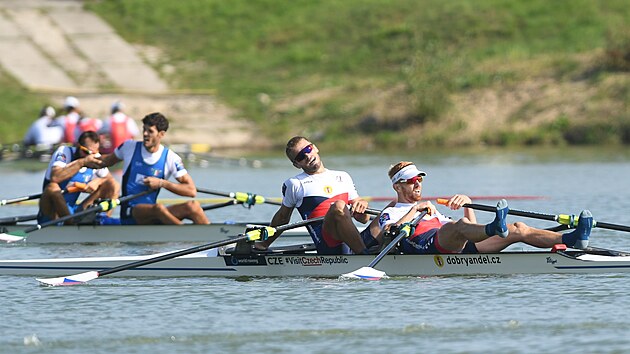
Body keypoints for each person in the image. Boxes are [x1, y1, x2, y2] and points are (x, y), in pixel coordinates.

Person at [376, 161, 593, 255]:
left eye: (419, 179)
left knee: (518, 227)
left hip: (460, 244)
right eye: (411, 179)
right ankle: (495, 228)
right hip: (426, 245)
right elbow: (389, 233)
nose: (417, 183)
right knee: (456, 226)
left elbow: (470, 227)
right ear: (397, 186)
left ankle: (572, 240)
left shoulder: (433, 208)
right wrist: (416, 210)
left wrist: (467, 204)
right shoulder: (391, 211)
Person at [255, 136, 377, 255]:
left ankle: (387, 248)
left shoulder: (343, 176)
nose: (307, 156)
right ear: (297, 164)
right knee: (338, 206)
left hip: (351, 241)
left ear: (315, 148)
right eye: (301, 156)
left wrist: (362, 204)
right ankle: (363, 256)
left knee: (393, 208)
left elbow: (364, 219)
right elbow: (283, 218)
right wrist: (264, 244)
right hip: (328, 245)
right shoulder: (295, 184)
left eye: (307, 149)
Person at [96, 112, 209, 225]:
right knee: (158, 208)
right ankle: (187, 234)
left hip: (152, 213)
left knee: (193, 206)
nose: (145, 134)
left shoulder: (171, 158)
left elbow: (191, 191)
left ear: (161, 134)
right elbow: (105, 161)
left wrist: (162, 183)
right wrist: (83, 160)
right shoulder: (129, 147)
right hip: (131, 211)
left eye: (150, 131)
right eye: (144, 129)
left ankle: (215, 237)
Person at [38, 131, 119, 224]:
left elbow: (110, 181)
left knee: (114, 185)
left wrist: (98, 181)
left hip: (72, 211)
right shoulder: (65, 151)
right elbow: (55, 177)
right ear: (77, 145)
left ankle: (103, 220)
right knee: (52, 188)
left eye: (92, 153)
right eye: (85, 152)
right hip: (52, 212)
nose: (89, 156)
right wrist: (82, 162)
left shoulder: (94, 157)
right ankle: (70, 225)